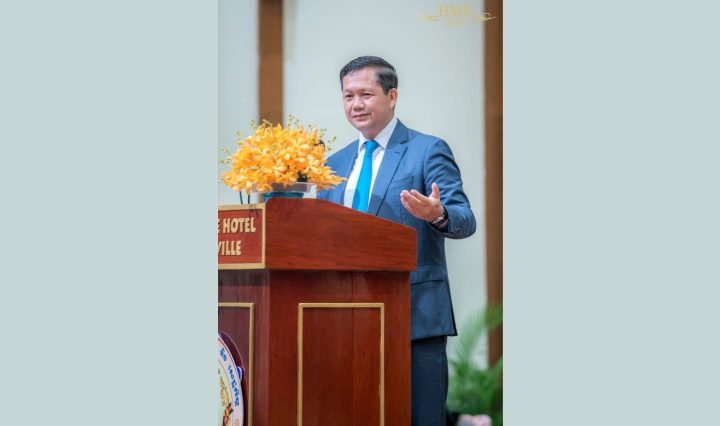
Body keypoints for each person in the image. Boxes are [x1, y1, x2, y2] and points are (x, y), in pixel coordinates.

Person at [317, 56, 476, 426]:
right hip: (344, 318)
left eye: (366, 94)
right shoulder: (333, 164)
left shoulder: (427, 150)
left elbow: (465, 220)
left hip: (414, 316)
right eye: (348, 96)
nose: (356, 104)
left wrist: (436, 213)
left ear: (392, 96)